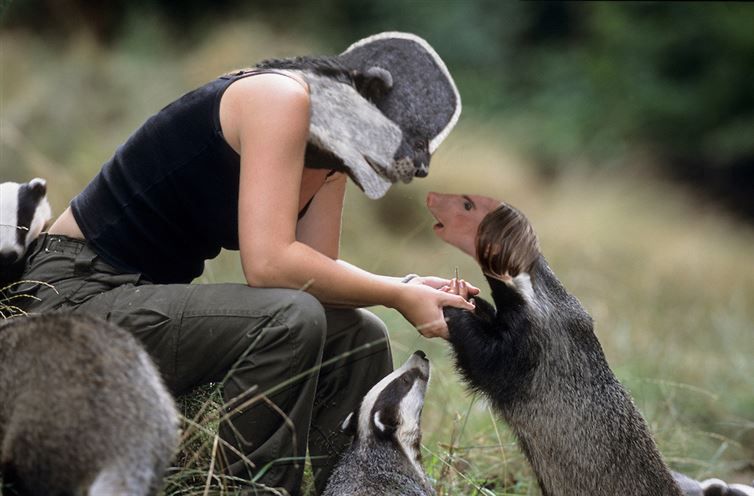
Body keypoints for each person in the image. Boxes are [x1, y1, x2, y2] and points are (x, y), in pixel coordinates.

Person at [13, 32, 476, 495]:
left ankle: (361, 488)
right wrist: (397, 294)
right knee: (290, 320)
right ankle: (250, 489)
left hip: (137, 305)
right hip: (72, 304)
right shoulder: (278, 98)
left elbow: (314, 277)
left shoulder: (329, 155)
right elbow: (270, 267)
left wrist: (408, 284)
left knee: (358, 334)